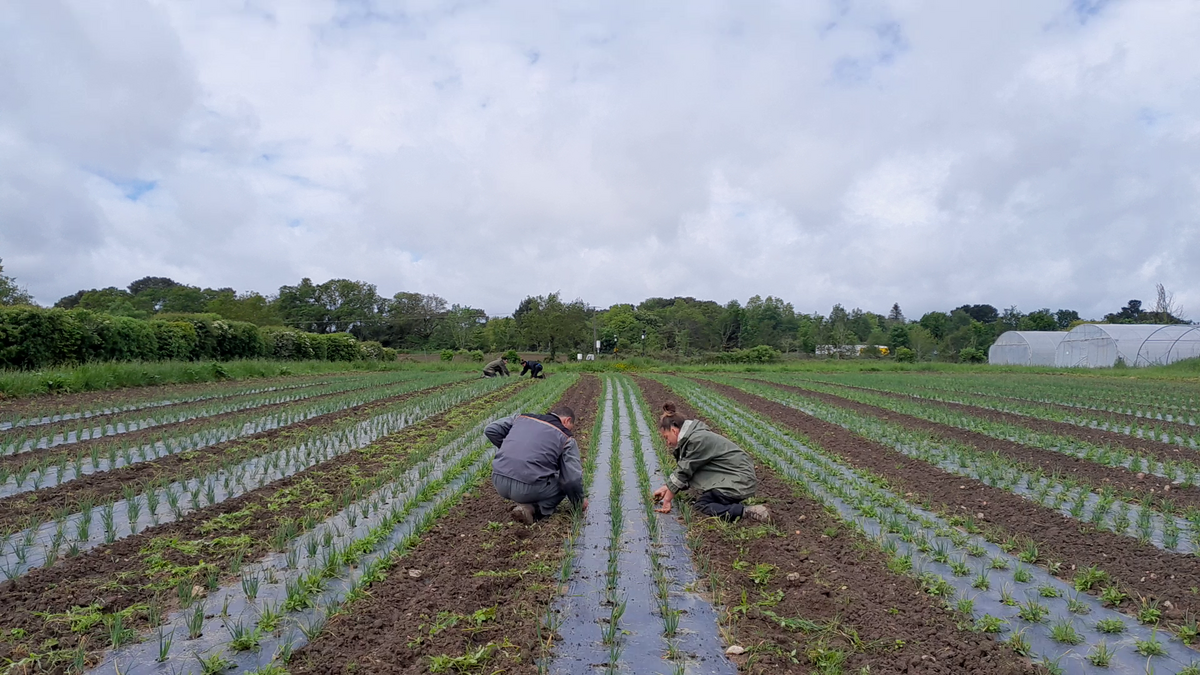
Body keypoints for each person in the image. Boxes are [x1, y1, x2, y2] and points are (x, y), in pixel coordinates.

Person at [652, 402, 770, 522]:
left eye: (666, 437)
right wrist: (666, 488)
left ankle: (747, 511)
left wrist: (667, 500)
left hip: (739, 481)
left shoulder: (697, 440)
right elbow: (689, 470)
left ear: (674, 430)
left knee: (701, 506)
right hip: (733, 478)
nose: (667, 443)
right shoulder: (695, 437)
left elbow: (684, 471)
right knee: (705, 500)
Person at [487, 405, 587, 524]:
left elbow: (491, 429)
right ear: (567, 420)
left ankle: (524, 505)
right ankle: (533, 509)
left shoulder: (521, 418)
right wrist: (579, 502)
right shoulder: (566, 438)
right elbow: (571, 480)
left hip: (499, 481)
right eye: (571, 428)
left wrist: (510, 447)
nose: (570, 431)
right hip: (528, 489)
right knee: (564, 479)